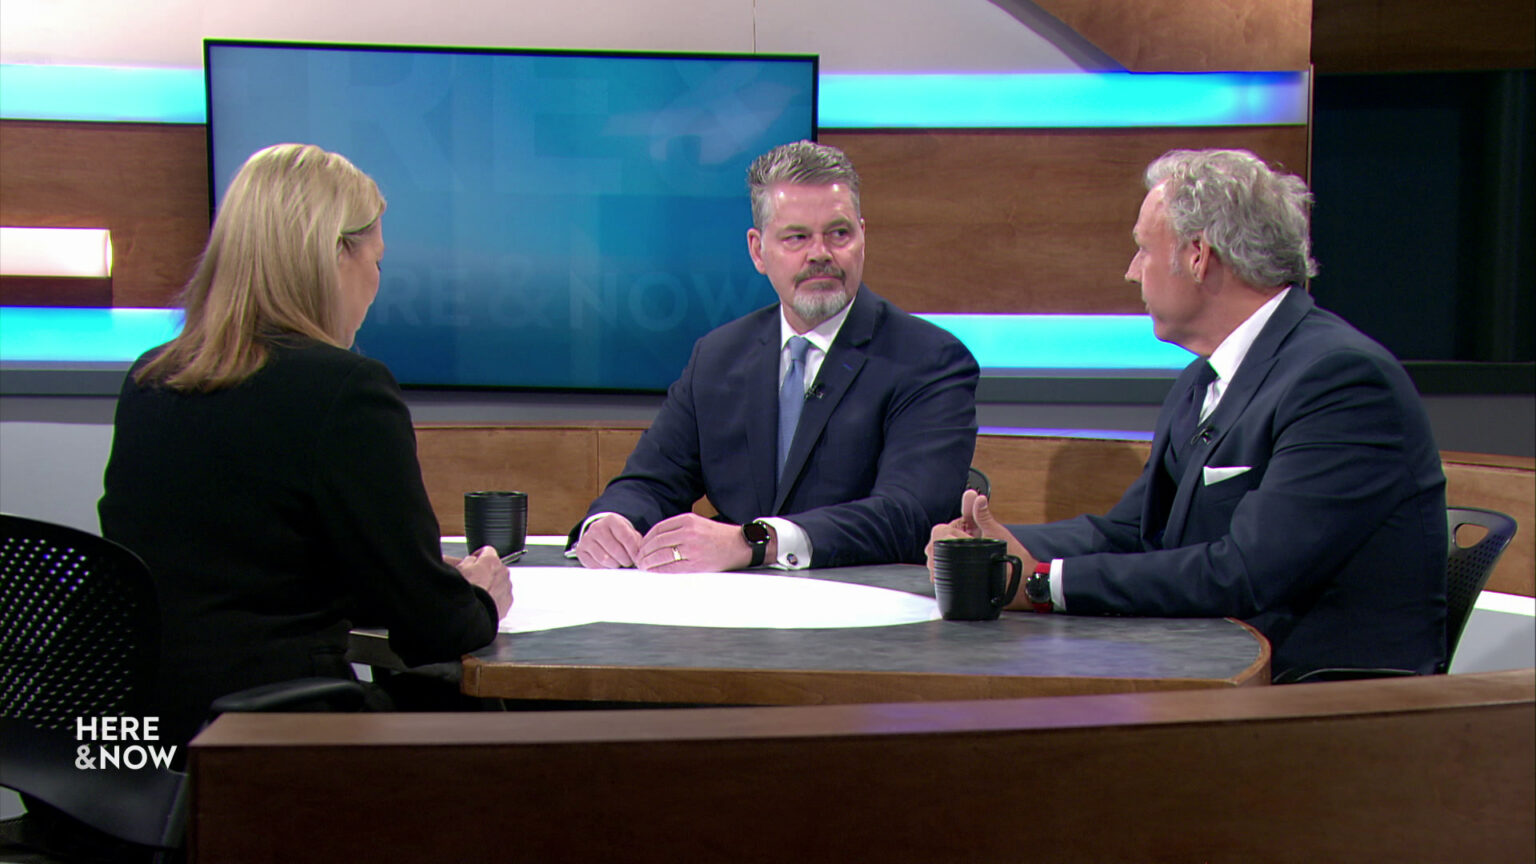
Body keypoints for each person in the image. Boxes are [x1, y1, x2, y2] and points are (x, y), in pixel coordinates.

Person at [930, 149, 1447, 682]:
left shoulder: (1340, 381)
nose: (1132, 273)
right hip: (1210, 670)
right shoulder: (1203, 377)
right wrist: (992, 550)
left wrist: (1041, 582)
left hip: (1321, 702)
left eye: (1142, 250)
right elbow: (1130, 533)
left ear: (1198, 256)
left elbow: (1246, 572)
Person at [98, 143, 512, 753]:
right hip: (269, 744)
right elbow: (434, 628)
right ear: (335, 257)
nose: (375, 282)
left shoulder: (152, 378)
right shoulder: (345, 390)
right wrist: (478, 593)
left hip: (126, 740)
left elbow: (242, 566)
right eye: (375, 260)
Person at [572, 140, 979, 572]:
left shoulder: (929, 360)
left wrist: (757, 541)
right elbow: (649, 483)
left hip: (862, 614)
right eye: (797, 237)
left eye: (838, 234)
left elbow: (910, 515)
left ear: (863, 238)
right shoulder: (718, 357)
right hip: (728, 618)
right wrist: (609, 522)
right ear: (757, 250)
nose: (820, 253)